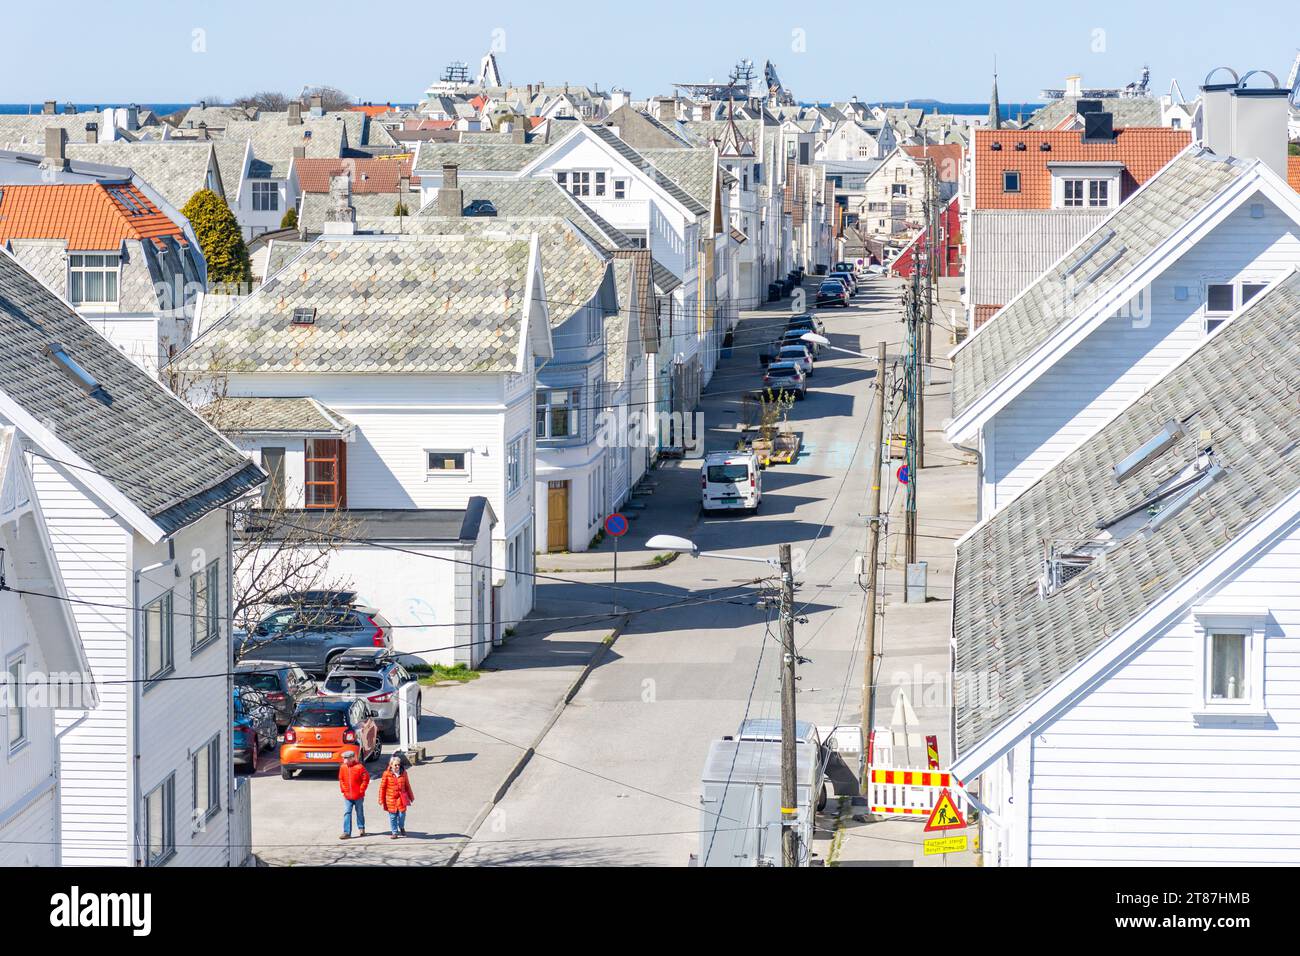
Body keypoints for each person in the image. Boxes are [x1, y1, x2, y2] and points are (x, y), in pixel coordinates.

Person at [377, 755, 414, 838]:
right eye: (395, 765)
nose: (397, 766)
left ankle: (401, 826)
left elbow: (407, 785)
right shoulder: (386, 774)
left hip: (401, 798)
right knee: (393, 817)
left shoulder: (404, 773)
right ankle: (394, 832)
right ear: (391, 765)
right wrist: (381, 799)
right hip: (391, 798)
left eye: (398, 765)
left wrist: (411, 797)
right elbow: (382, 787)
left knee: (402, 815)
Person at [339, 751, 369, 839]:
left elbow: (365, 779)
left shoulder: (359, 767)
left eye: (346, 758)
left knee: (359, 812)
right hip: (347, 796)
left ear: (352, 758)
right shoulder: (343, 767)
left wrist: (361, 790)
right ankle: (346, 832)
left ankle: (361, 828)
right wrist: (343, 790)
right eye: (344, 758)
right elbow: (341, 779)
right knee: (347, 812)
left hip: (358, 796)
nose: (344, 759)